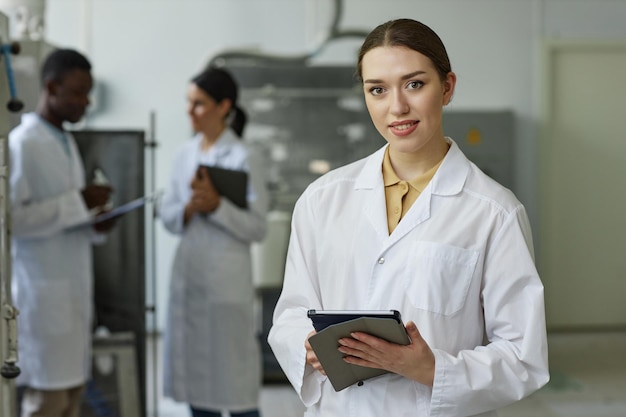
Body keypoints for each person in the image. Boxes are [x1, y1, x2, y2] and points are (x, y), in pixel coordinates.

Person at [268, 18, 549, 417]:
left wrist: (431, 369)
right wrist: (307, 345)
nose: (396, 106)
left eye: (414, 84)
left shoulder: (494, 212)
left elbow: (523, 357)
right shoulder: (322, 199)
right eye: (377, 90)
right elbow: (292, 313)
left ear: (447, 87)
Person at [9, 48, 114, 417]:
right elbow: (12, 221)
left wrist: (96, 221)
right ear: (51, 87)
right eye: (78, 92)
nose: (86, 102)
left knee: (71, 401)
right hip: (42, 299)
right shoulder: (22, 144)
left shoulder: (66, 141)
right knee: (46, 404)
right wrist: (77, 202)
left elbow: (68, 217)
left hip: (71, 298)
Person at [159, 66, 268, 417]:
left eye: (199, 104)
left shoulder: (244, 157)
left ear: (224, 106)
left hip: (225, 285)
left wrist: (217, 206)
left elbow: (257, 227)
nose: (190, 112)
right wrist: (189, 208)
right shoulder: (183, 155)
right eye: (188, 103)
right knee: (197, 387)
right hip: (190, 278)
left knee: (235, 389)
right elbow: (169, 214)